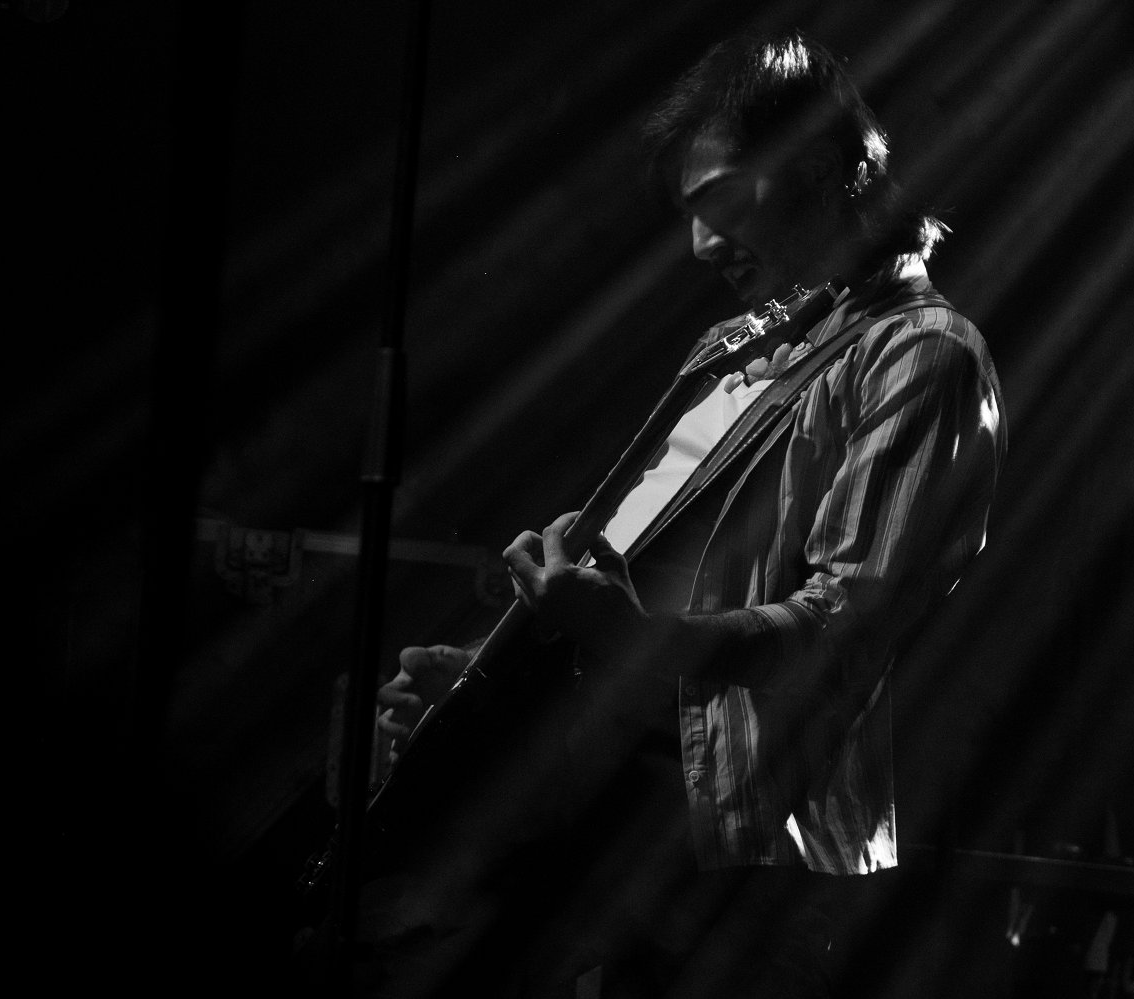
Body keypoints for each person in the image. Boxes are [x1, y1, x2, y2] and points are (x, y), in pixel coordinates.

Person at [371, 31, 1007, 998]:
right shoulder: (730, 347)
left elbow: (844, 626)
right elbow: (632, 597)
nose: (702, 244)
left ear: (822, 166)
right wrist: (489, 685)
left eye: (721, 199)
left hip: (741, 875)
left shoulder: (923, 353)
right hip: (586, 837)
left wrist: (628, 637)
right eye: (690, 213)